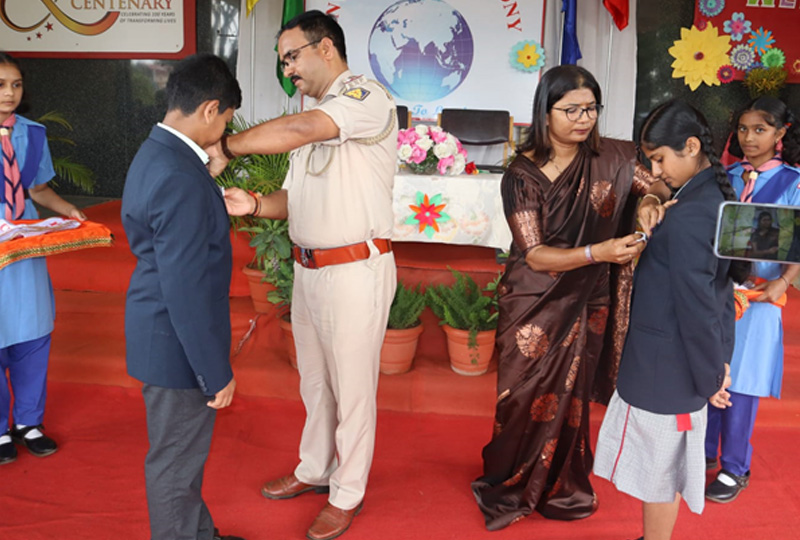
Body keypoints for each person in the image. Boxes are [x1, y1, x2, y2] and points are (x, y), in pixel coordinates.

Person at [210, 11, 397, 540]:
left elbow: (299, 129)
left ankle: (347, 492)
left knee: (353, 389)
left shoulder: (363, 98)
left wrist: (226, 146)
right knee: (314, 382)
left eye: (292, 56)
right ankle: (315, 468)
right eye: (283, 59)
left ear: (326, 49)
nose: (287, 69)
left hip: (356, 269)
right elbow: (291, 201)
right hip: (310, 270)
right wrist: (252, 204)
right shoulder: (315, 116)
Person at [470, 65, 671, 530]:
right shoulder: (521, 175)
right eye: (572, 109)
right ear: (546, 111)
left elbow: (655, 186)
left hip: (589, 300)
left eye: (591, 109)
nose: (583, 118)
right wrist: (597, 251)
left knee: (573, 398)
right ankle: (510, 480)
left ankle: (561, 482)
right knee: (520, 399)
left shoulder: (615, 157)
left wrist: (645, 204)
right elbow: (536, 255)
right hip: (534, 301)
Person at [593, 99, 748, 540]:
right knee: (666, 465)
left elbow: (698, 306)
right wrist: (721, 360)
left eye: (659, 159)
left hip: (673, 363)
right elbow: (724, 292)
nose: (656, 171)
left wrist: (708, 377)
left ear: (692, 146)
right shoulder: (710, 197)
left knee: (662, 469)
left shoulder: (688, 217)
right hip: (686, 358)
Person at [121, 53, 245, 540]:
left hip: (161, 329)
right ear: (211, 109)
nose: (223, 134)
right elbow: (186, 286)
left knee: (181, 457)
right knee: (176, 462)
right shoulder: (179, 176)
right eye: (227, 121)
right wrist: (215, 373)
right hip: (177, 342)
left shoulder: (160, 152)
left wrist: (207, 181)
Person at [704, 96, 800, 503]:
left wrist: (785, 282)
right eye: (743, 129)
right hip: (719, 291)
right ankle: (704, 452)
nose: (749, 138)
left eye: (760, 130)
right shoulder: (725, 174)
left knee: (743, 380)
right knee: (709, 370)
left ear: (780, 134)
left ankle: (734, 466)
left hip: (760, 296)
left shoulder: (793, 181)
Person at [0, 52, 86, 465]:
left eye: (16, 85)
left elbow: (37, 191)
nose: (9, 94)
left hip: (26, 241)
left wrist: (67, 209)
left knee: (33, 329)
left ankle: (28, 422)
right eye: (0, 85)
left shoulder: (33, 133)